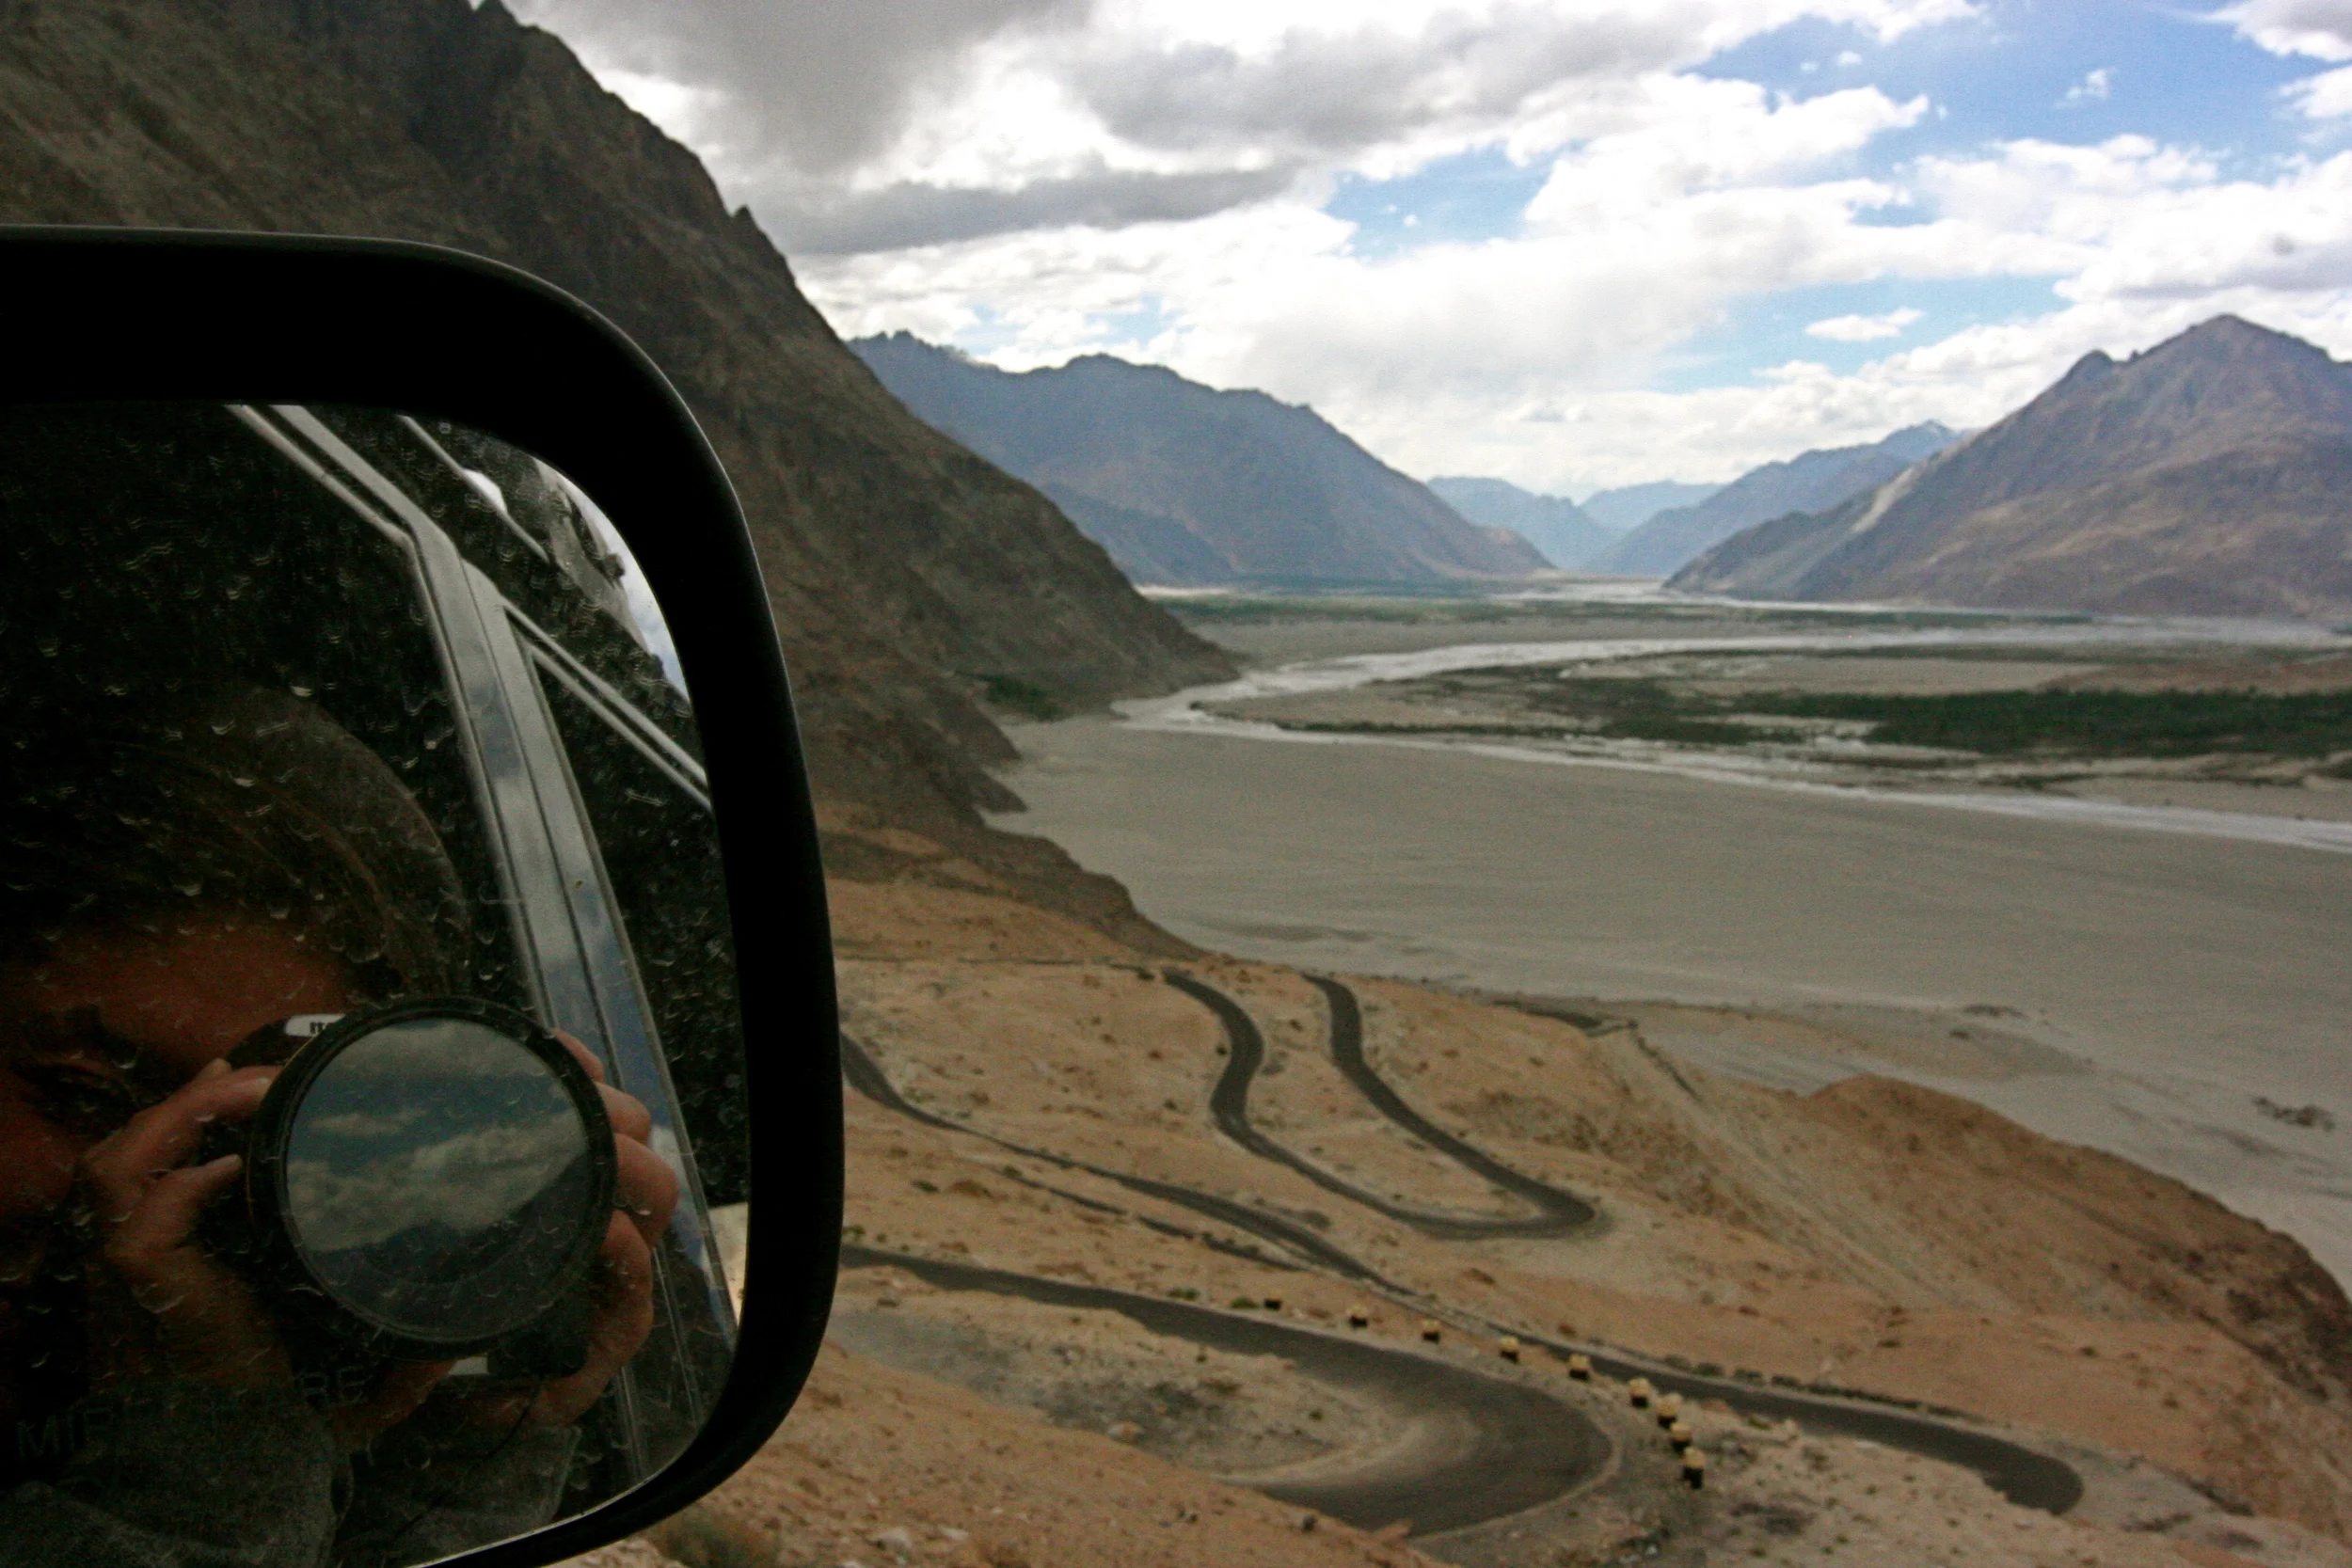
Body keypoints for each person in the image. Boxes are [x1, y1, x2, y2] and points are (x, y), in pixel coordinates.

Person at [0, 684, 679, 1567]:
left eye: (247, 1147)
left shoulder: (319, 1376)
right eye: (81, 1093)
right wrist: (203, 1466)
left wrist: (453, 1439)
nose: (127, 1179)